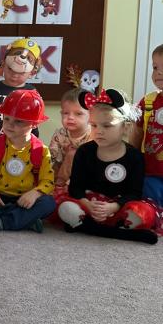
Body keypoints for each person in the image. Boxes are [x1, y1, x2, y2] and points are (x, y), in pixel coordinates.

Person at [58, 88, 158, 243]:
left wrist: (114, 207)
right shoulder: (84, 151)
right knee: (65, 206)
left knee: (143, 211)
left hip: (120, 206)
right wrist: (87, 204)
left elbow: (134, 193)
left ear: (125, 127)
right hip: (90, 203)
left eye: (107, 126)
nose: (99, 131)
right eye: (94, 125)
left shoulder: (134, 157)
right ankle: (116, 231)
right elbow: (76, 187)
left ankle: (88, 226)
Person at [0, 88, 56, 232]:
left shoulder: (41, 150)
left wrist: (35, 194)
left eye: (18, 121)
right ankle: (25, 220)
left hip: (26, 200)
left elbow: (48, 181)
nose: (9, 125)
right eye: (6, 119)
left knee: (48, 203)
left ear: (34, 124)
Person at [0, 37, 41, 144]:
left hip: (16, 147)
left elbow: (33, 124)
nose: (14, 75)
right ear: (3, 64)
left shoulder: (31, 92)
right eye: (10, 69)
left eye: (21, 72)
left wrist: (32, 145)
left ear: (32, 73)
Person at [131, 44, 163, 208]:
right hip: (151, 172)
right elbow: (136, 134)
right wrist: (130, 159)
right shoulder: (147, 101)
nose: (158, 72)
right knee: (150, 204)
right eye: (155, 67)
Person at [48, 87, 92, 201]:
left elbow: (89, 164)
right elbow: (51, 157)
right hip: (60, 171)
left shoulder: (93, 135)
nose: (70, 117)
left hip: (83, 175)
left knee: (74, 153)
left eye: (78, 114)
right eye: (66, 113)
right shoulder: (60, 134)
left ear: (91, 116)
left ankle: (63, 188)